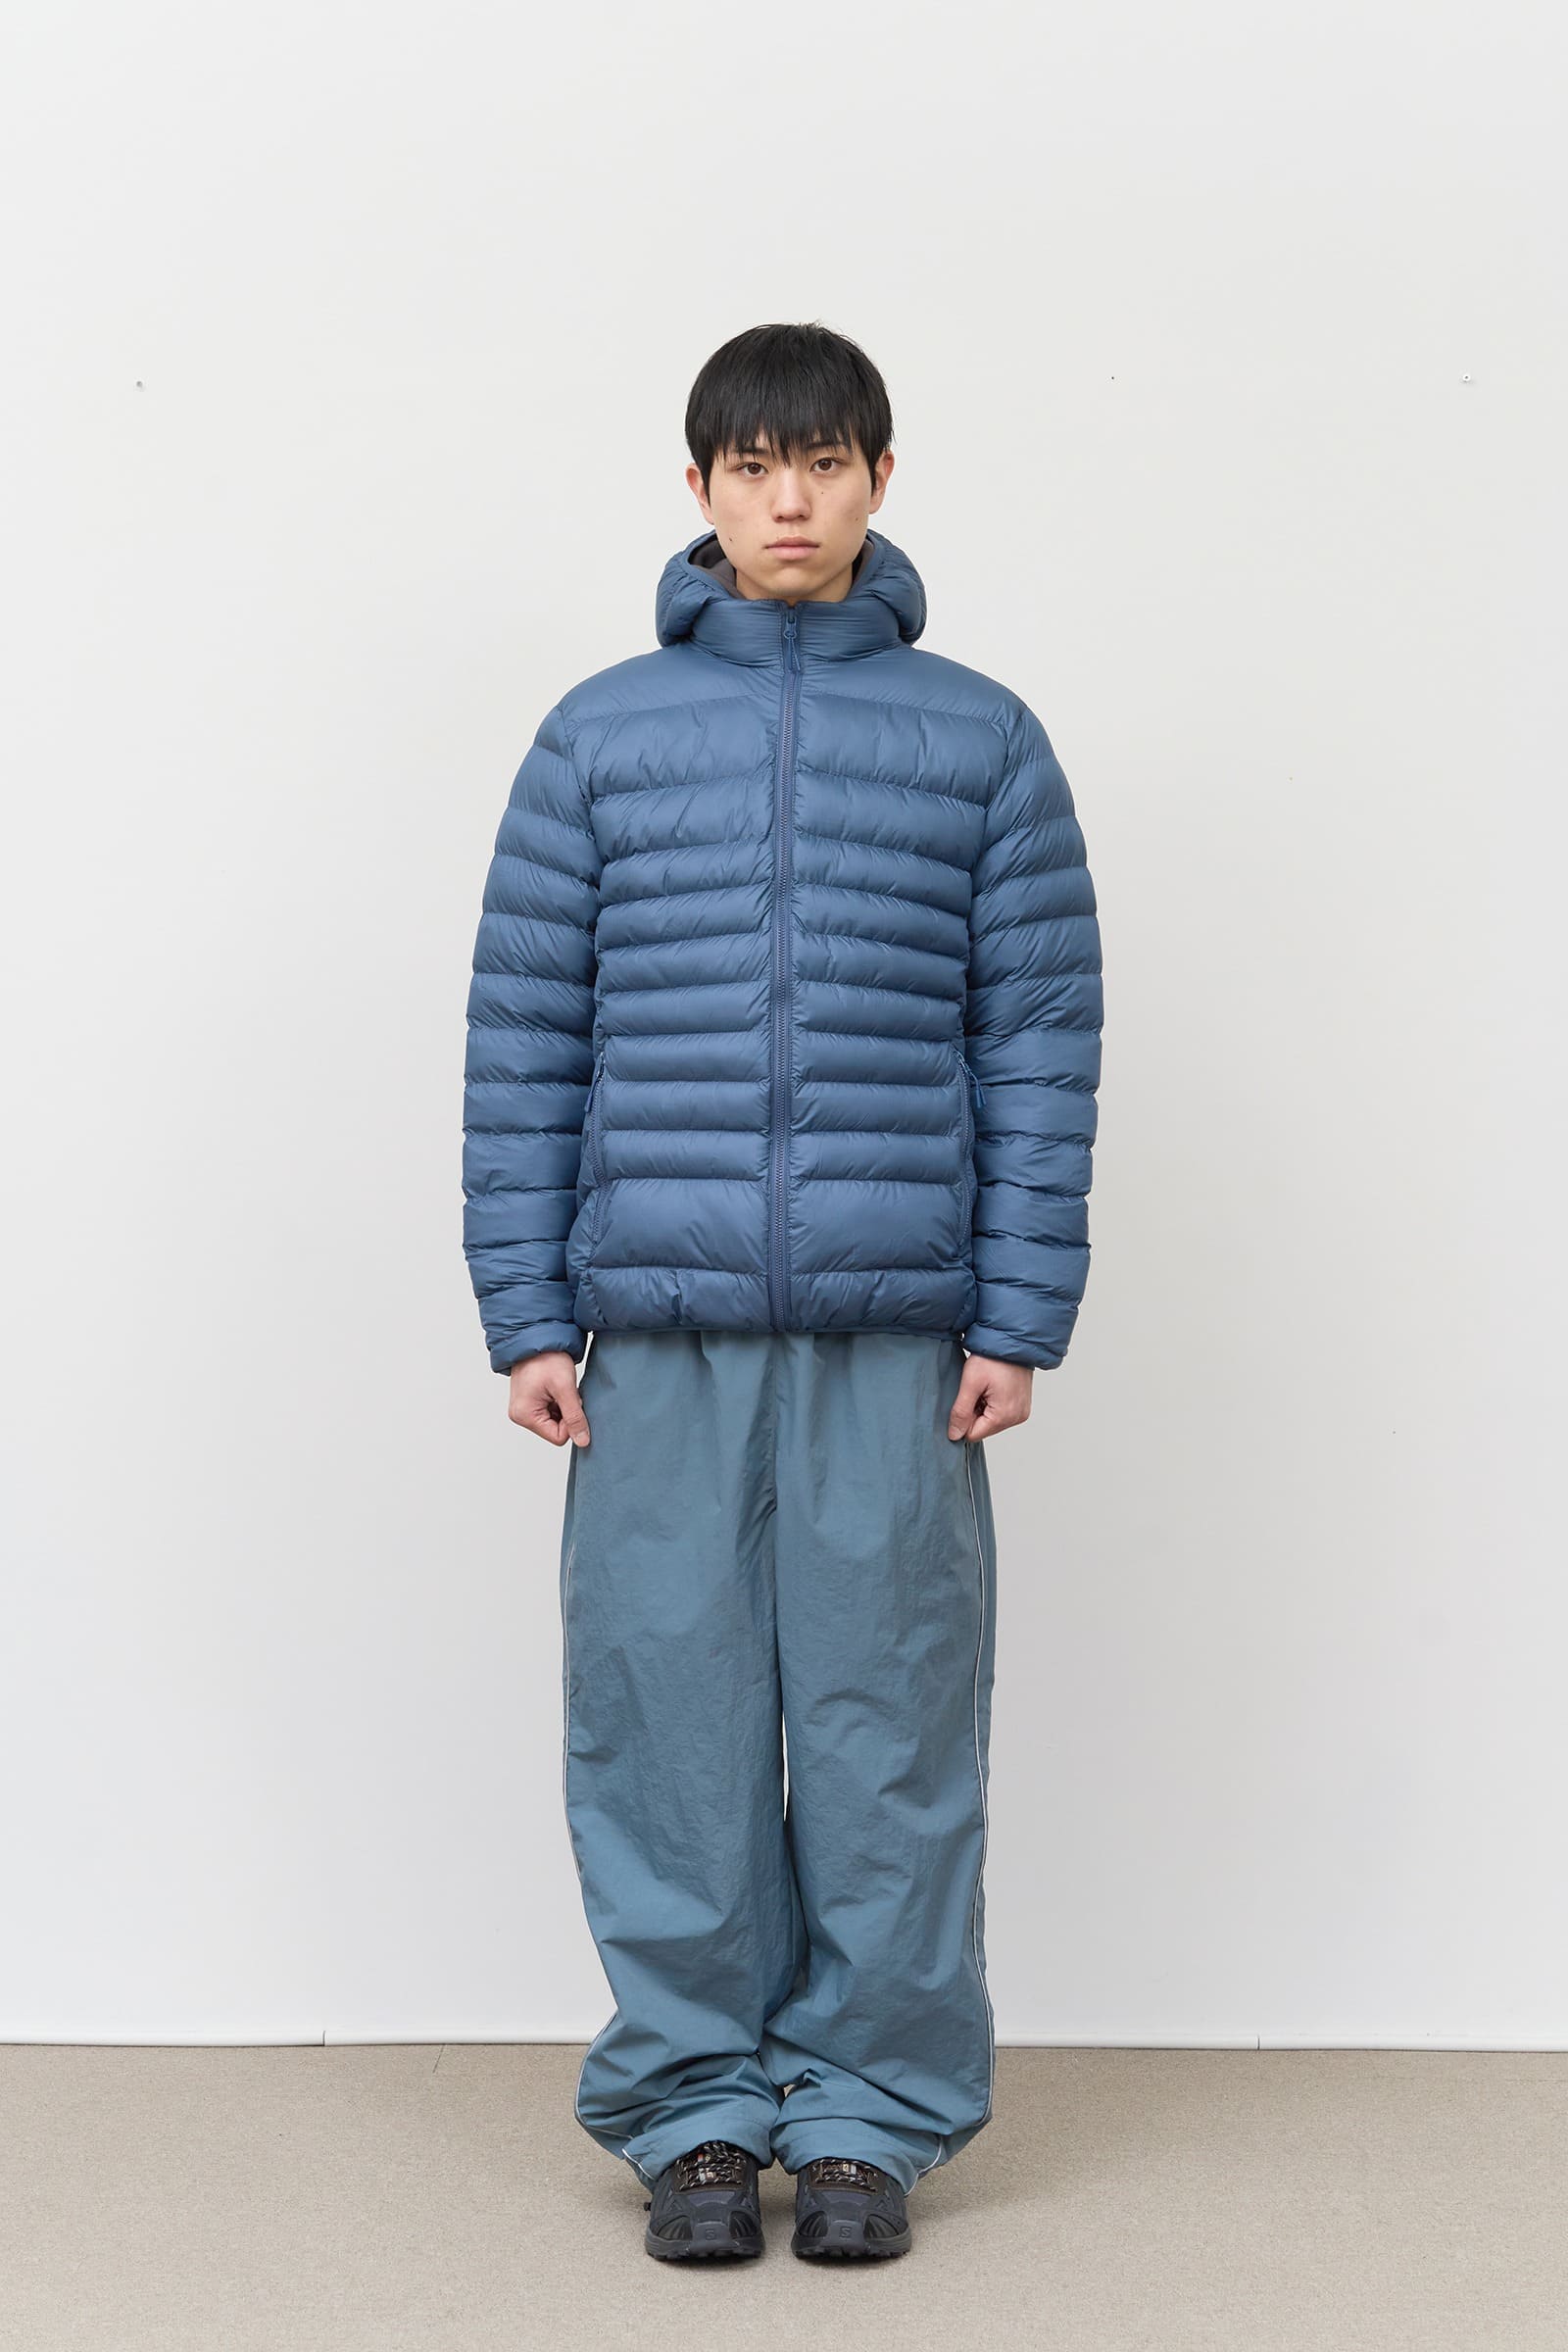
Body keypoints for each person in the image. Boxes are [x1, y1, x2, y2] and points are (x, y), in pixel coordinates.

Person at [461, 320, 1103, 2265]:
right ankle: (693, 2112)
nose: (791, 500)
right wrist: (523, 1310)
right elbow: (524, 1044)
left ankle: (865, 2120)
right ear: (700, 491)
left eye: (824, 463)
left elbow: (1038, 1043)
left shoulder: (982, 739)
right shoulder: (597, 738)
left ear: (880, 480)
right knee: (661, 1723)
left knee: (887, 1731)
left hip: (893, 1339)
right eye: (752, 467)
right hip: (650, 1337)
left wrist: (1016, 1315)